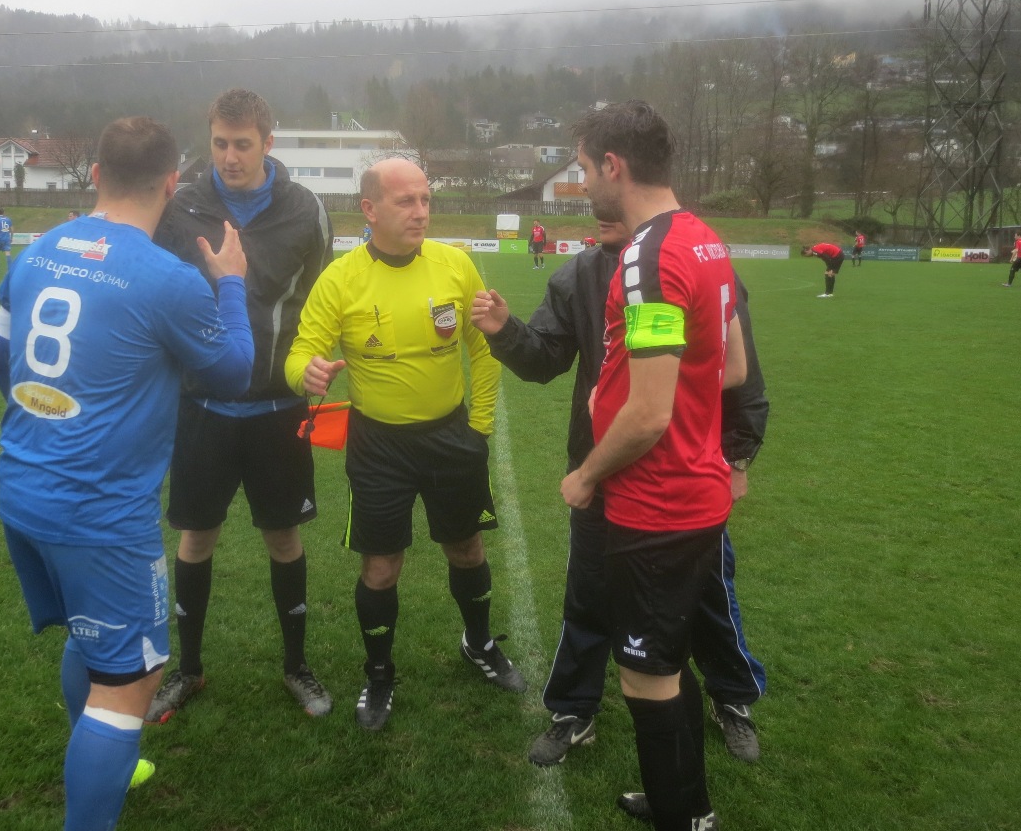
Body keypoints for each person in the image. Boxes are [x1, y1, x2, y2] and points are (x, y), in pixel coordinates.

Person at [0, 116, 254, 831]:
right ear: (172, 182)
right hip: (100, 512)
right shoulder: (168, 279)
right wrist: (231, 283)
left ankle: (109, 763)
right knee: (130, 678)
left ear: (97, 174)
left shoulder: (38, 252)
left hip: (21, 487)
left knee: (90, 637)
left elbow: (0, 365)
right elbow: (233, 373)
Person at [471, 205, 769, 769]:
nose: (600, 209)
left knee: (709, 594)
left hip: (685, 473)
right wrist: (505, 331)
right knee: (588, 592)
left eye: (609, 194)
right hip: (605, 466)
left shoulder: (692, 262)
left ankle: (732, 697)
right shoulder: (580, 274)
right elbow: (545, 360)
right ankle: (574, 710)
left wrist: (738, 454)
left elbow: (739, 370)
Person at [285, 158, 525, 732]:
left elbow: (485, 346)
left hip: (452, 436)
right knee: (381, 566)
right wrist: (306, 374)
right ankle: (379, 673)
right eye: (405, 201)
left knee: (467, 548)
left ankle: (478, 643)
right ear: (369, 210)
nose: (420, 212)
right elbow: (300, 353)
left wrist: (479, 427)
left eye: (425, 199)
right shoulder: (340, 279)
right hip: (379, 446)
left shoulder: (454, 265)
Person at [558, 101, 746, 831]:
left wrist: (585, 475)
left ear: (614, 166)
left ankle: (681, 818)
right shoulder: (703, 241)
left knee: (643, 676)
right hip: (696, 493)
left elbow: (647, 414)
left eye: (583, 168)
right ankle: (690, 806)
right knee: (664, 665)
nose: (582, 184)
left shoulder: (648, 258)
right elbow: (731, 367)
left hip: (655, 504)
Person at [147, 89, 335, 724]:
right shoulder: (182, 205)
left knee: (283, 536)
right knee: (196, 536)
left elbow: (321, 299)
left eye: (243, 144)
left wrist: (313, 360)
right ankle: (189, 669)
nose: (229, 156)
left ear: (268, 143)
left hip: (278, 408)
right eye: (220, 143)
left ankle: (296, 666)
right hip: (201, 406)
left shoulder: (306, 209)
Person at [0, 208, 13, 273]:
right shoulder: (8, 219)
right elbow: (12, 230)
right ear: (3, 212)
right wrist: (11, 238)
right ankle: (9, 270)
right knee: (8, 253)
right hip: (7, 239)